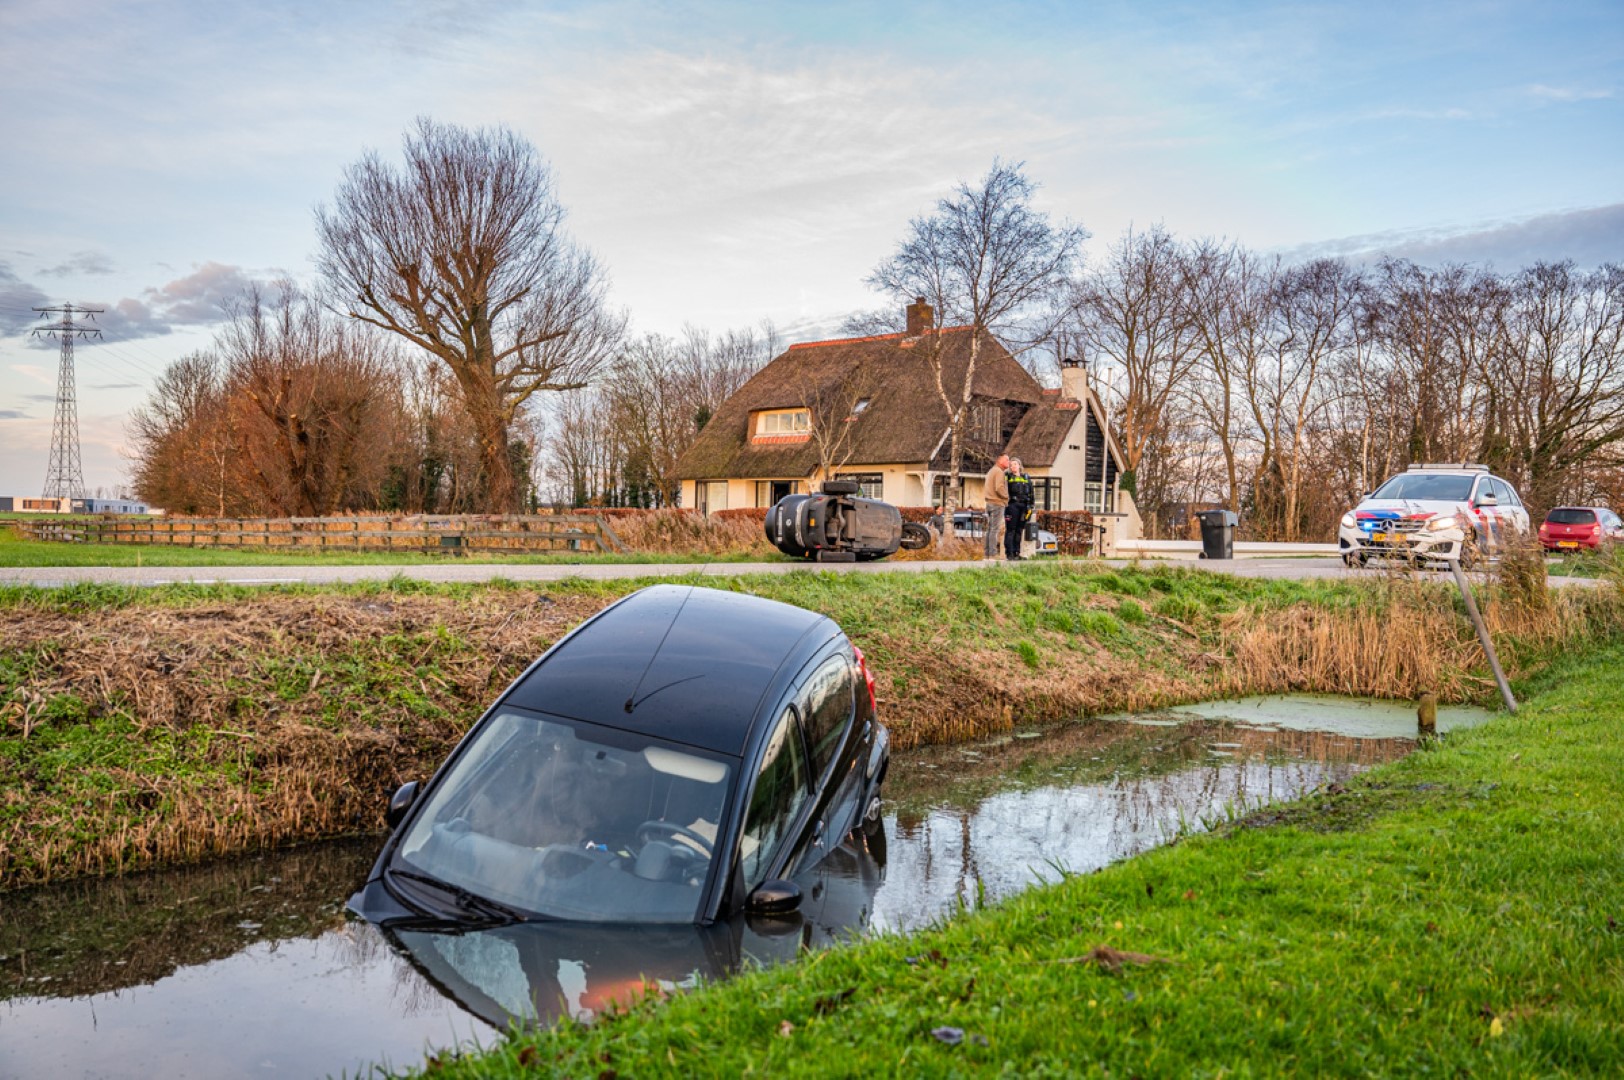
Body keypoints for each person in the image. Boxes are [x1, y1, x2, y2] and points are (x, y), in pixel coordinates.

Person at [1005, 457, 1034, 561]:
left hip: (1024, 506)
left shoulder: (1026, 477)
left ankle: (1017, 553)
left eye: (1015, 464)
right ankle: (1010, 553)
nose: (1013, 466)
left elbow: (1031, 492)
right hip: (1012, 505)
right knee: (1011, 530)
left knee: (1019, 530)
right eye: (1011, 465)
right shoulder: (1007, 477)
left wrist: (1031, 506)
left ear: (1019, 465)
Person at [981, 454, 1009, 559]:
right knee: (994, 530)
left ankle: (987, 554)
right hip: (997, 503)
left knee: (990, 529)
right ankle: (992, 554)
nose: (1009, 462)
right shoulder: (999, 472)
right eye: (1007, 460)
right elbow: (999, 488)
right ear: (1000, 460)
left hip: (989, 503)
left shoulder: (991, 471)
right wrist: (1007, 496)